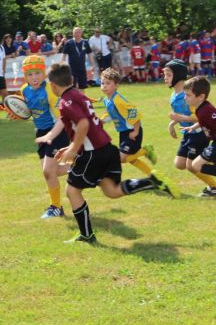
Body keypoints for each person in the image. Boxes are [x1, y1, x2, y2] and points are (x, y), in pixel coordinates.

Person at [40, 63, 177, 243]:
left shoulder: (66, 102)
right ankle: (152, 181)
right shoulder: (79, 96)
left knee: (72, 191)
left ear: (53, 85)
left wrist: (73, 149)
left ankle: (87, 235)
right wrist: (72, 146)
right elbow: (90, 124)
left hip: (93, 154)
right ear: (72, 80)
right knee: (111, 191)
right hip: (107, 149)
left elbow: (83, 124)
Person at [20, 56, 70, 219]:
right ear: (25, 76)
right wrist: (14, 112)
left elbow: (61, 118)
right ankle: (82, 164)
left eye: (37, 73)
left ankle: (56, 207)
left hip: (56, 131)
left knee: (48, 171)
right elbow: (27, 112)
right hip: (41, 133)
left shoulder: (50, 89)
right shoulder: (24, 90)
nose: (34, 78)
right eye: (30, 74)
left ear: (44, 73)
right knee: (51, 172)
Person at [164, 59, 213, 196]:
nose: (165, 78)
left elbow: (199, 117)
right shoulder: (175, 95)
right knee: (179, 164)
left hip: (199, 134)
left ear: (178, 75)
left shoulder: (189, 96)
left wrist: (180, 119)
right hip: (188, 134)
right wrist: (172, 123)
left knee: (191, 166)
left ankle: (214, 187)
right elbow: (180, 115)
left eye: (168, 74)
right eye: (164, 75)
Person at [100, 68, 157, 175]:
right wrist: (101, 121)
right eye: (102, 83)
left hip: (132, 131)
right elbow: (110, 114)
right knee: (131, 159)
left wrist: (135, 131)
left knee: (122, 158)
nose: (104, 85)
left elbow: (134, 113)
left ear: (116, 86)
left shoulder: (118, 100)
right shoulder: (107, 99)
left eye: (108, 83)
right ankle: (152, 175)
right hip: (124, 132)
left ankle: (146, 150)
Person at [184, 77, 216, 192]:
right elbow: (203, 121)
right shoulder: (201, 108)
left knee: (196, 165)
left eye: (188, 95)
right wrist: (193, 127)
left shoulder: (206, 110)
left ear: (201, 96)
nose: (185, 98)